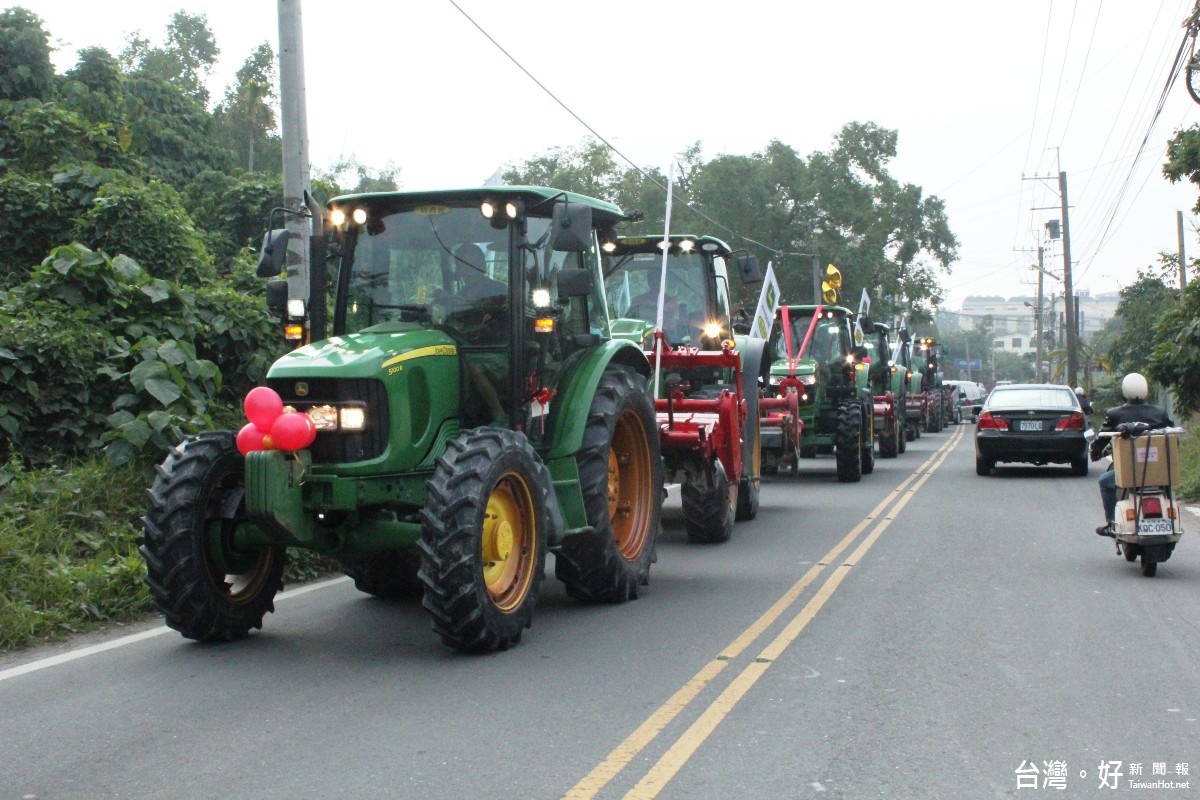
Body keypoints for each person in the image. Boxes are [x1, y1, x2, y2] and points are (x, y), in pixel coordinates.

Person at [1090, 372, 1174, 536]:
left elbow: (1102, 438)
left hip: (1130, 473)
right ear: (1146, 390)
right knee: (1167, 483)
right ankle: (1170, 514)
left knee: (1104, 482)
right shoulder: (1160, 413)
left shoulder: (1115, 414)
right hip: (1157, 472)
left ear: (1124, 391)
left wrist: (1095, 452)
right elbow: (1171, 437)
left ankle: (1112, 523)